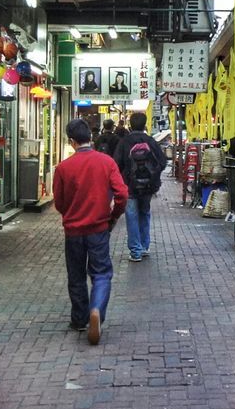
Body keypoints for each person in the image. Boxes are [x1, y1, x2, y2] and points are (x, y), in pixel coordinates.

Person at [53, 118, 127, 346]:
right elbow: (122, 194)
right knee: (101, 273)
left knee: (76, 275)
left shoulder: (63, 167)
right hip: (99, 228)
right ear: (90, 138)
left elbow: (59, 202)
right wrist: (113, 216)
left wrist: (70, 213)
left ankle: (79, 319)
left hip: (73, 230)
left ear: (72, 141)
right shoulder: (106, 162)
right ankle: (96, 310)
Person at [113, 111, 167, 262]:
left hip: (129, 186)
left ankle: (135, 251)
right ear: (145, 125)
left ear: (130, 125)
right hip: (148, 187)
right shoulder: (151, 141)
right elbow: (162, 162)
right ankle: (144, 247)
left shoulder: (124, 142)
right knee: (145, 213)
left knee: (131, 216)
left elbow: (116, 164)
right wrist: (152, 175)